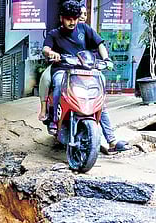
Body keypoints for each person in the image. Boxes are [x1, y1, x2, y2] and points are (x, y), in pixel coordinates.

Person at [39, 0, 130, 152]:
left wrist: (106, 59)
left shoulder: (84, 29)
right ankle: (55, 120)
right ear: (62, 18)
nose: (72, 21)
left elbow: (99, 43)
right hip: (63, 70)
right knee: (58, 84)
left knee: (100, 100)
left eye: (75, 18)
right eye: (68, 18)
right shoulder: (54, 34)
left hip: (83, 71)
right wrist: (51, 53)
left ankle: (112, 141)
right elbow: (45, 49)